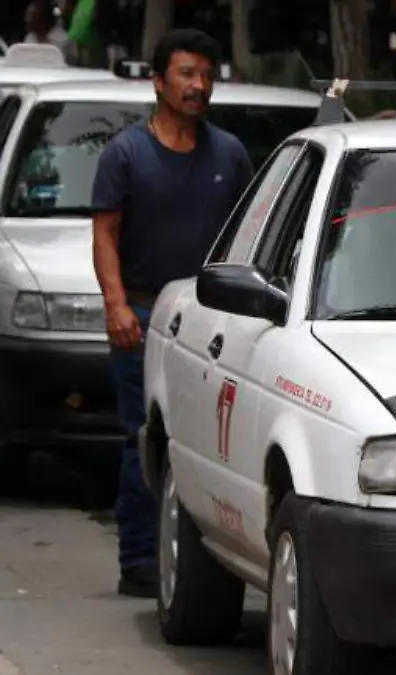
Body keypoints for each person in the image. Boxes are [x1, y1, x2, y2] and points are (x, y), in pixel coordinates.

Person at [91, 28, 253, 598]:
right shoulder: (125, 154)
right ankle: (139, 557)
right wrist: (115, 305)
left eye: (206, 75)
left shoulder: (229, 154)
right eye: (186, 74)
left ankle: (200, 556)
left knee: (201, 445)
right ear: (159, 82)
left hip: (210, 326)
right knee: (144, 437)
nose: (198, 86)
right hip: (142, 317)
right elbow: (105, 236)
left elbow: (245, 241)